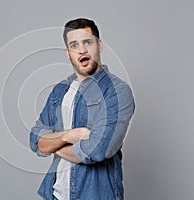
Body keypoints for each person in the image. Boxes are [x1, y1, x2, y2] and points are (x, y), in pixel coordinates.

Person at [30, 18, 135, 200]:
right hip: (55, 194)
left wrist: (53, 145)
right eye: (74, 45)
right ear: (68, 53)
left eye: (87, 42)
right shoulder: (60, 90)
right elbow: (36, 140)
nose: (82, 50)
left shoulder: (117, 91)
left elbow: (98, 150)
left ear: (99, 45)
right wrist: (68, 136)